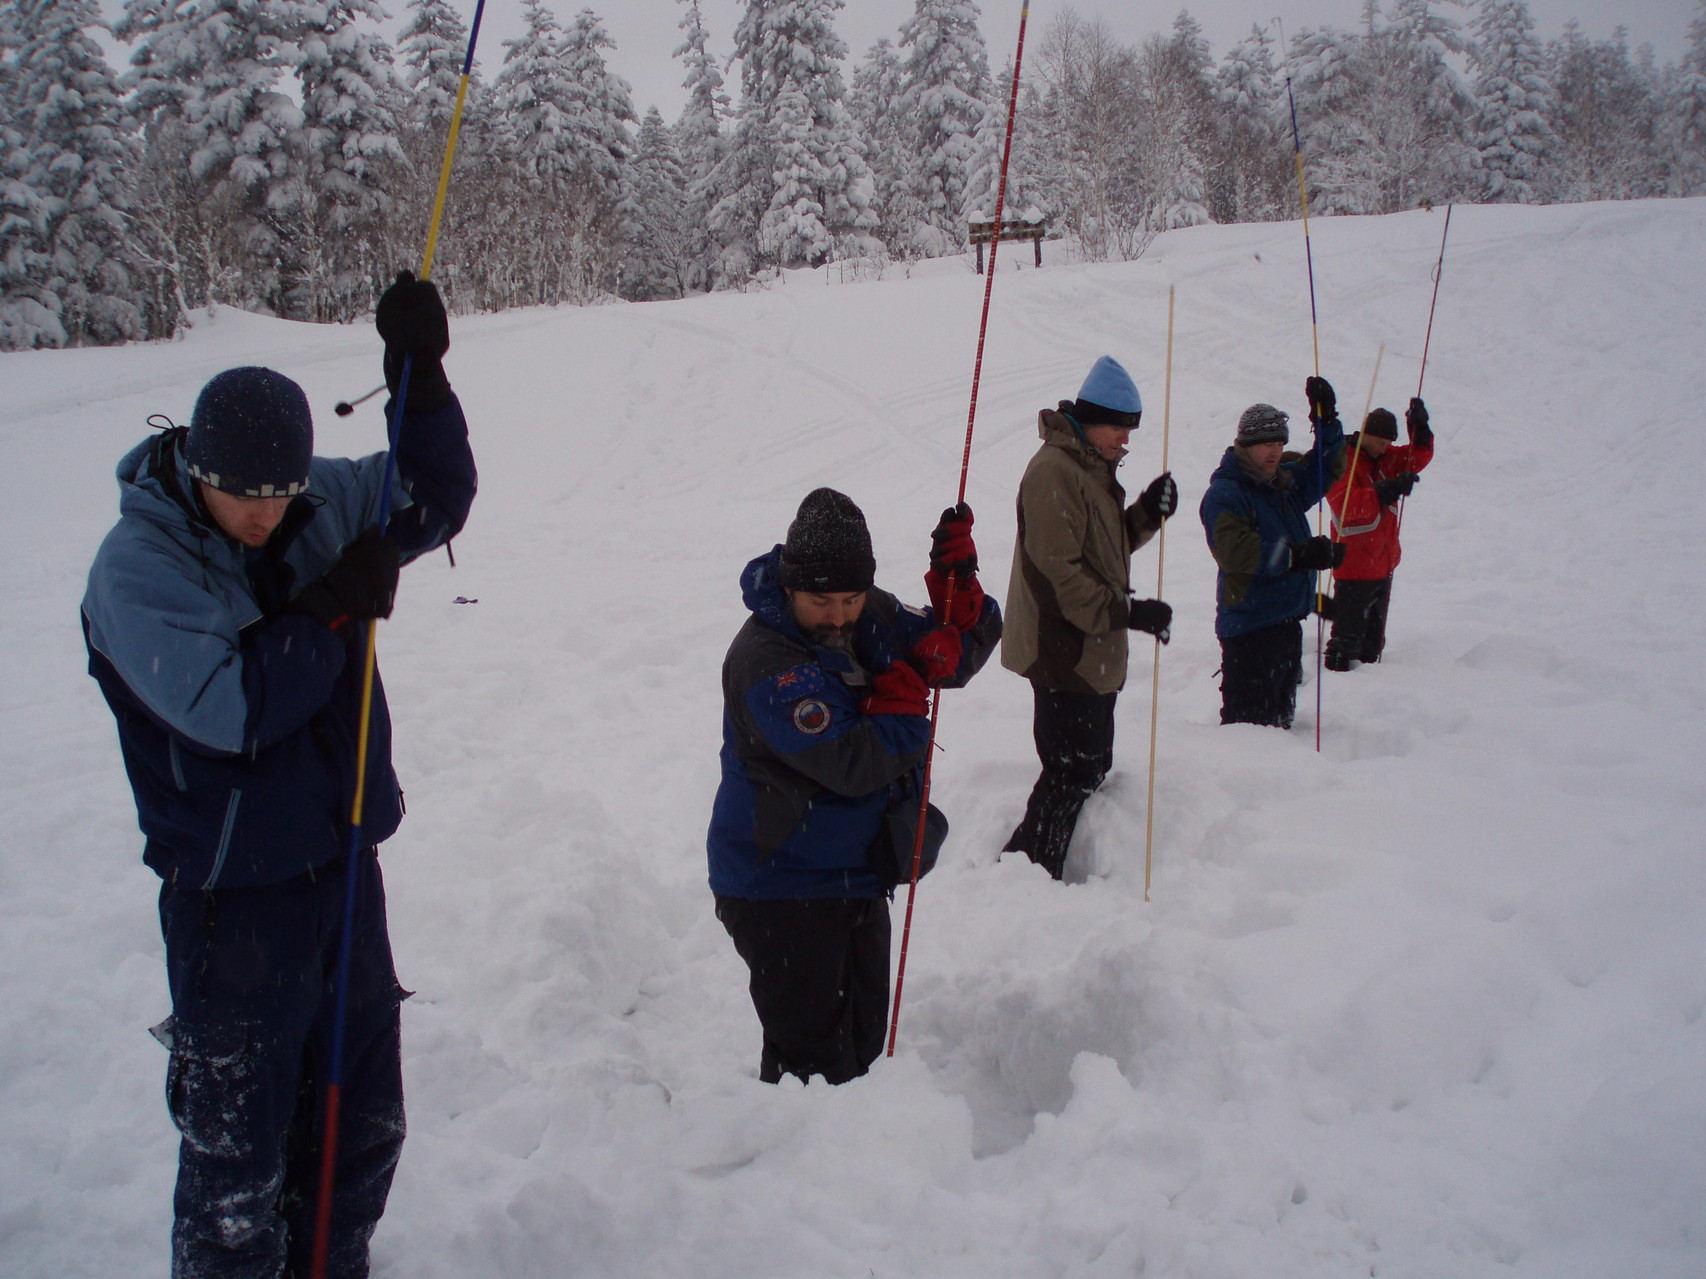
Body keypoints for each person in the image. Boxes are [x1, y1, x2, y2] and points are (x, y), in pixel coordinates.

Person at [81, 272, 475, 1278]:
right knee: (235, 1172)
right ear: (195, 469)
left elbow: (432, 498)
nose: (267, 517)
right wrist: (334, 608)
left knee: (358, 1129)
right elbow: (232, 711)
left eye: (283, 493)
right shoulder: (138, 569)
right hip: (233, 906)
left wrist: (419, 377)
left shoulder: (313, 505)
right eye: (243, 496)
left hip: (343, 875)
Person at [707, 487, 1001, 1084]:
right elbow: (852, 762)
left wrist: (961, 598)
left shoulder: (866, 614)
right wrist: (900, 712)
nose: (840, 615)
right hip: (781, 888)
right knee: (812, 1066)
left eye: (851, 598)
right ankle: (794, 1165)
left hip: (854, 874)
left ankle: (847, 1160)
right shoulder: (768, 662)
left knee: (863, 1039)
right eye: (822, 601)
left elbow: (950, 658)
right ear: (790, 589)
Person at [999, 355, 1175, 880]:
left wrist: (1146, 513)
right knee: (1069, 772)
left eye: (1130, 430)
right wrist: (1129, 611)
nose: (1125, 440)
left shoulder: (1089, 470)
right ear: (1092, 420)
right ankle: (1023, 874)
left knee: (1089, 768)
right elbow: (1060, 578)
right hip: (1062, 653)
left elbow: (1103, 550)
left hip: (1090, 652)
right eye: (1119, 428)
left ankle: (1037, 871)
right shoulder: (1054, 471)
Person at [1199, 376, 1346, 729]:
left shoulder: (1283, 484)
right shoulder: (1226, 494)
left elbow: (1329, 467)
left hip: (1286, 623)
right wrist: (1298, 556)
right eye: (1265, 444)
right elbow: (1235, 553)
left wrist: (1326, 422)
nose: (1275, 452)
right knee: (1249, 733)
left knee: (1280, 726)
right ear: (1244, 445)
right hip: (1250, 630)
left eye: (1279, 443)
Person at [1324, 398, 1434, 670]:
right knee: (1345, 646)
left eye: (1388, 443)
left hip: (1382, 568)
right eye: (1380, 442)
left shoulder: (1385, 459)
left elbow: (1418, 456)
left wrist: (1420, 428)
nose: (1385, 448)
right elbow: (1347, 506)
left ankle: (1369, 691)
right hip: (1353, 571)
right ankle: (1340, 691)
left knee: (1372, 648)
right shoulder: (1343, 461)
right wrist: (1389, 489)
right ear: (1365, 435)